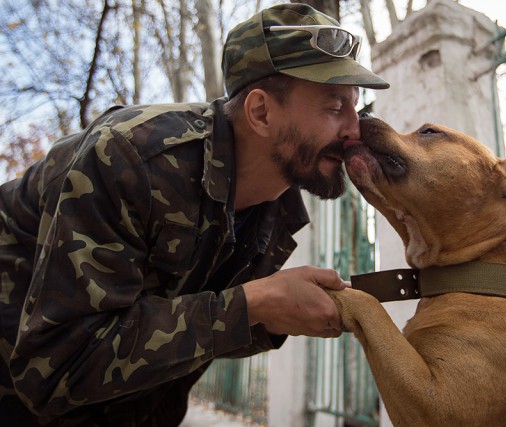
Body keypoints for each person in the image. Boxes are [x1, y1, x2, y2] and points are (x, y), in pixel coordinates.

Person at [0, 3, 389, 426]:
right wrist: (250, 304)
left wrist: (271, 314)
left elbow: (194, 326)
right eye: (335, 107)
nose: (356, 130)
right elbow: (55, 367)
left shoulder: (277, 208)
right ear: (261, 112)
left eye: (357, 107)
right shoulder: (130, 159)